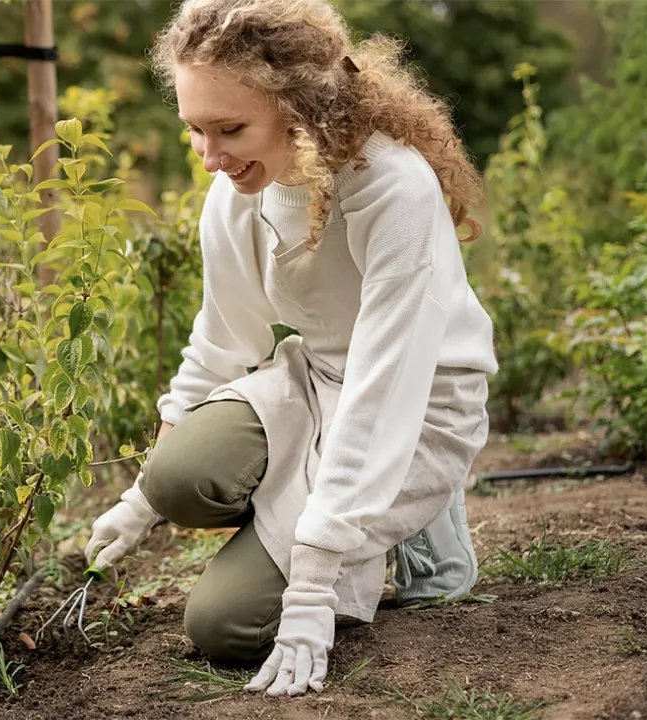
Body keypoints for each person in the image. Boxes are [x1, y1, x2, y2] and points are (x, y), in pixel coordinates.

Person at [82, 0, 497, 699]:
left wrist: (314, 580)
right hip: (317, 380)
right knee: (180, 477)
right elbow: (223, 336)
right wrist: (139, 499)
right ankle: (335, 515)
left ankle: (422, 516)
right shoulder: (241, 187)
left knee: (226, 628)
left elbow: (383, 384)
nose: (210, 157)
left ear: (299, 105)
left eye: (230, 128)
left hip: (416, 402)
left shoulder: (393, 190)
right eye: (194, 130)